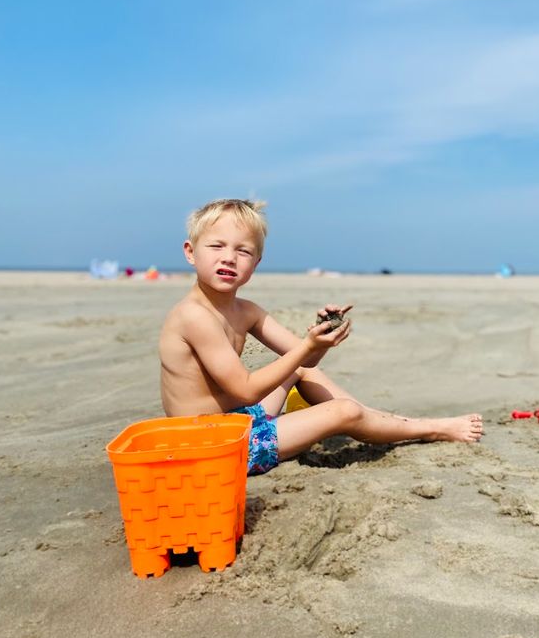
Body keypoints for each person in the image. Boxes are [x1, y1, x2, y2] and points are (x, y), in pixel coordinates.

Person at [159, 198, 483, 475]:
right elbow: (244, 389)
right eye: (216, 246)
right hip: (211, 447)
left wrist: (320, 336)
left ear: (256, 263)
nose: (229, 257)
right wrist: (306, 346)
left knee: (302, 370)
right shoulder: (195, 316)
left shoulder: (246, 310)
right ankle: (427, 428)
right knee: (345, 412)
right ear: (191, 252)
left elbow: (306, 361)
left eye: (243, 251)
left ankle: (383, 421)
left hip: (235, 421)